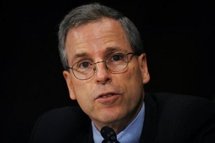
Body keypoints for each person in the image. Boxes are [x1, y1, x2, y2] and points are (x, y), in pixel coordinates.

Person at [29, 3, 215, 143]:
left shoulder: (193, 123)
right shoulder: (51, 131)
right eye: (84, 64)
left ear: (143, 68)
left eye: (116, 58)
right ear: (70, 84)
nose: (102, 76)